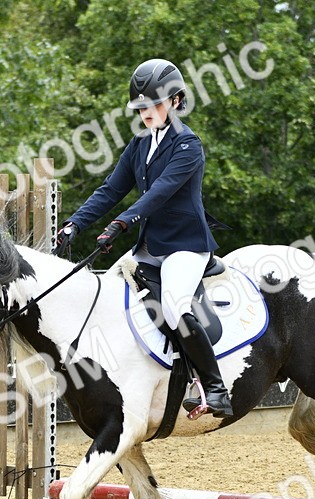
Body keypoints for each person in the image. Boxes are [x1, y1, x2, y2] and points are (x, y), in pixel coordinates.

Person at [54, 58, 232, 419]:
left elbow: (161, 192)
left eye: (154, 104)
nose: (146, 112)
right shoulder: (139, 145)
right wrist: (75, 224)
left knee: (175, 305)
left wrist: (121, 223)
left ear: (176, 102)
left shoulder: (188, 145)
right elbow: (110, 189)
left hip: (186, 246)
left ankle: (216, 388)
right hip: (150, 249)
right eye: (141, 107)